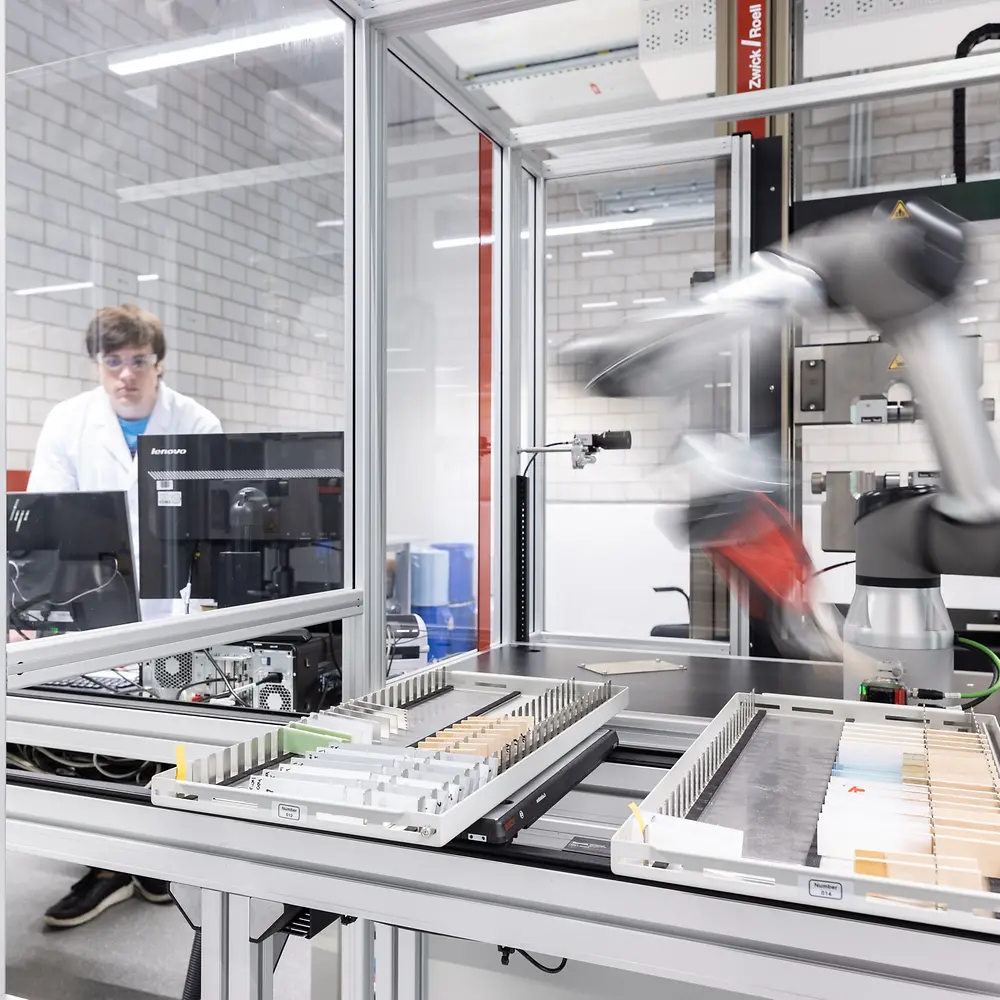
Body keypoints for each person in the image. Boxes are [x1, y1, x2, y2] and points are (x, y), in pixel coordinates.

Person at [27, 304, 222, 928]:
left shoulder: (197, 422)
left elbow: (215, 531)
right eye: (113, 361)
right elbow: (43, 520)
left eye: (139, 361)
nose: (126, 375)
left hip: (176, 606)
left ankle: (154, 857)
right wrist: (29, 606)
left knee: (167, 729)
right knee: (94, 736)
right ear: (98, 364)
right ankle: (106, 864)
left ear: (158, 363)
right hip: (97, 604)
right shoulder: (68, 421)